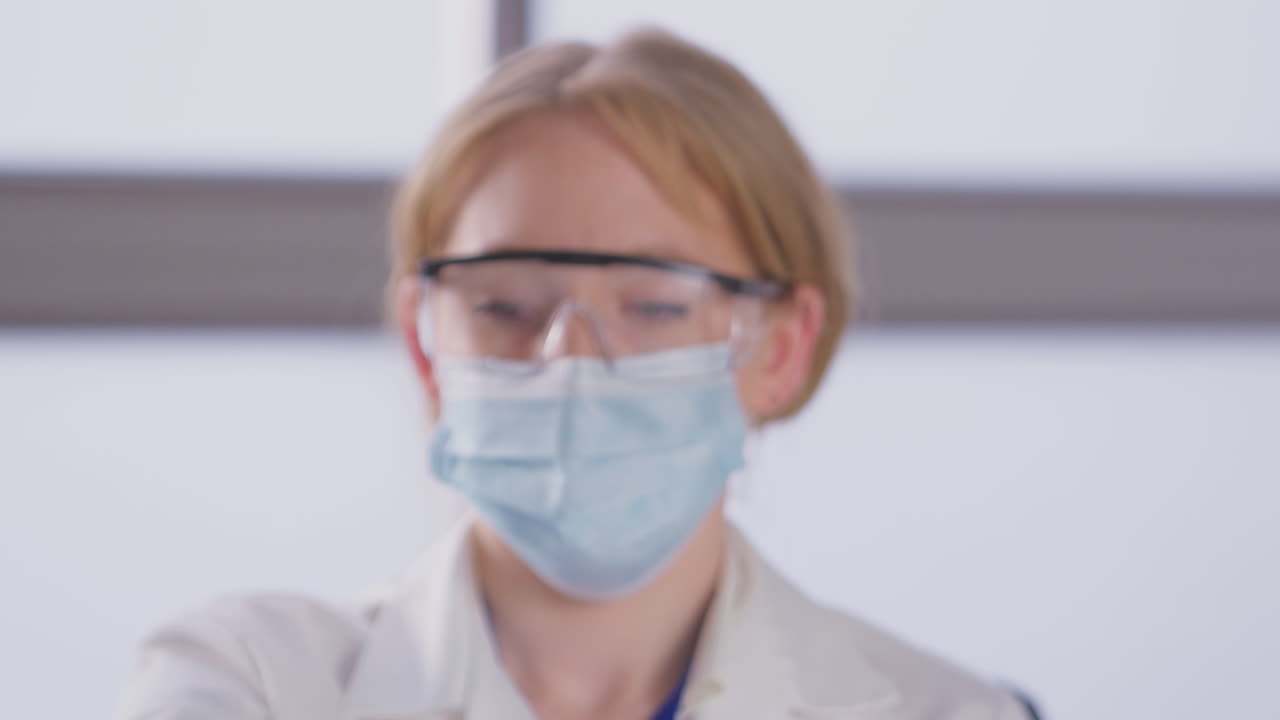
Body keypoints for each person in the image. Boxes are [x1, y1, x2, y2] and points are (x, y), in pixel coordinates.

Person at [119, 29, 1032, 720]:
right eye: (505, 305)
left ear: (779, 350)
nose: (570, 364)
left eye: (658, 306)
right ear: (423, 343)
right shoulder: (250, 683)